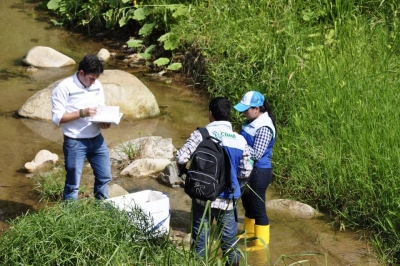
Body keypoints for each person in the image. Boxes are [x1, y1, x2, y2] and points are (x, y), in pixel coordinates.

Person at [176, 97, 253, 266]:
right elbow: (247, 170)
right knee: (229, 244)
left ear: (211, 114)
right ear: (229, 116)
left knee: (200, 242)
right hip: (227, 200)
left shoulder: (201, 134)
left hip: (201, 197)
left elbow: (181, 157)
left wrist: (183, 172)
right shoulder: (240, 140)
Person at [51, 54, 112, 200]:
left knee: (104, 177)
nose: (93, 82)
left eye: (96, 78)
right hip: (74, 141)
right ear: (81, 73)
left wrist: (105, 122)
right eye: (91, 78)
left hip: (97, 139)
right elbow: (57, 119)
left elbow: (100, 109)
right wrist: (81, 113)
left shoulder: (97, 85)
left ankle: (102, 213)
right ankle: (69, 220)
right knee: (73, 185)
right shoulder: (64, 87)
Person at [233, 91, 276, 250]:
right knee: (247, 202)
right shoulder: (250, 121)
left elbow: (257, 153)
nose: (243, 112)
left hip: (259, 171)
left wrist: (237, 144)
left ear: (257, 109)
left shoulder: (264, 127)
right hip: (247, 169)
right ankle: (249, 233)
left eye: (246, 109)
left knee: (258, 207)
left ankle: (261, 244)